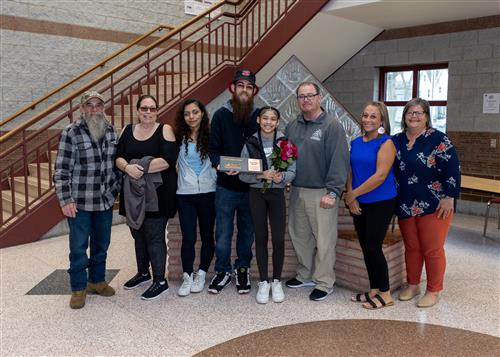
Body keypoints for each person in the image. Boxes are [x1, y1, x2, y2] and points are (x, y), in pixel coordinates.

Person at [54, 90, 121, 309]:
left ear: (103, 108)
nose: (94, 109)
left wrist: (115, 189)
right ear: (82, 108)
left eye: (98, 105)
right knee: (79, 248)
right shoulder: (70, 133)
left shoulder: (111, 132)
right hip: (80, 202)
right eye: (89, 105)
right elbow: (62, 169)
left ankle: (97, 281)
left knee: (102, 244)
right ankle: (78, 288)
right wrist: (65, 199)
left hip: (104, 201)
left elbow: (116, 165)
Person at [392, 97, 460, 308]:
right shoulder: (396, 141)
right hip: (405, 203)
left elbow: (453, 169)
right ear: (404, 117)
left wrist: (449, 197)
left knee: (432, 249)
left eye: (418, 113)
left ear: (426, 117)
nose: (413, 116)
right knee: (412, 247)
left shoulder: (439, 140)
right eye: (410, 112)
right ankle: (413, 284)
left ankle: (434, 290)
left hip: (435, 204)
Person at [285, 81, 349, 301]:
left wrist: (333, 192)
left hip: (322, 192)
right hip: (296, 190)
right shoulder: (292, 126)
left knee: (324, 240)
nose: (306, 100)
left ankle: (324, 281)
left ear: (319, 98)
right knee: (300, 236)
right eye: (301, 96)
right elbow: (285, 157)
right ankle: (304, 275)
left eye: (310, 95)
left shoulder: (332, 126)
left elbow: (339, 162)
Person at [115, 94, 178, 301]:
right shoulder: (127, 130)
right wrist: (127, 168)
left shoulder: (165, 130)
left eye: (152, 108)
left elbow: (168, 160)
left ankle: (160, 280)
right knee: (137, 234)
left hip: (158, 195)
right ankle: (143, 273)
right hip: (132, 194)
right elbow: (117, 157)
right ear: (138, 109)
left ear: (157, 110)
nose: (148, 112)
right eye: (144, 108)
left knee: (154, 236)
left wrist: (138, 168)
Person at [208, 69, 260, 294]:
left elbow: (264, 152)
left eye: (249, 87)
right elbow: (212, 150)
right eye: (241, 86)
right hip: (225, 187)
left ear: (254, 91)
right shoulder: (220, 115)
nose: (244, 90)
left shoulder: (259, 116)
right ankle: (222, 271)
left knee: (247, 232)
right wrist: (221, 165)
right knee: (223, 233)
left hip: (251, 189)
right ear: (233, 88)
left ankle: (242, 269)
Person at [239, 106, 296, 304]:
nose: (268, 122)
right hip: (257, 194)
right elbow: (242, 174)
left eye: (273, 119)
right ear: (258, 120)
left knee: (279, 239)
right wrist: (261, 175)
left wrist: (282, 177)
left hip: (277, 194)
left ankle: (276, 281)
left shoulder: (284, 143)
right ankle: (263, 281)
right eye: (265, 118)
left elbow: (292, 170)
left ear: (277, 122)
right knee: (261, 237)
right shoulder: (250, 143)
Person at [344, 101, 397, 310]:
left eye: (373, 116)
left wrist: (352, 195)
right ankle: (374, 288)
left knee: (374, 247)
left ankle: (386, 292)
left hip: (381, 202)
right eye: (365, 115)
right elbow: (351, 171)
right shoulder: (356, 142)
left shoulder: (387, 143)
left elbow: (380, 176)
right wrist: (352, 197)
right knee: (366, 247)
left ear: (382, 120)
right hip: (360, 202)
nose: (367, 120)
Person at [174, 99, 217, 297]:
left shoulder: (213, 136)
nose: (191, 117)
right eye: (187, 113)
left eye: (195, 112)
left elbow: (221, 160)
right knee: (189, 237)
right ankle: (187, 276)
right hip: (185, 194)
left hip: (208, 193)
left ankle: (201, 273)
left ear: (202, 113)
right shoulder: (177, 138)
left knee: (208, 236)